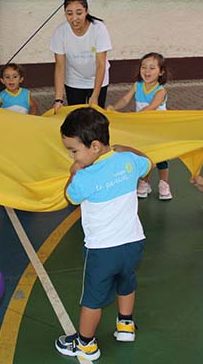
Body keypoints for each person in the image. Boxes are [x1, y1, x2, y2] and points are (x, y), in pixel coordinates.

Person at [55, 107, 153, 361]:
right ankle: (125, 325)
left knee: (93, 299)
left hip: (102, 249)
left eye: (74, 151)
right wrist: (127, 149)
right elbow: (148, 163)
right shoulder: (128, 161)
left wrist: (72, 174)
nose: (73, 156)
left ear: (95, 146)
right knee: (126, 281)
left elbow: (70, 197)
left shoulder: (84, 176)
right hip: (133, 243)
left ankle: (86, 343)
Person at [107, 52, 172, 200]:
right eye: (144, 67)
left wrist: (132, 118)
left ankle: (164, 183)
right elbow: (125, 99)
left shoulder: (160, 91)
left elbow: (151, 107)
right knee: (144, 155)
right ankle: (144, 181)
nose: (147, 71)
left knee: (161, 158)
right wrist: (115, 108)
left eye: (152, 68)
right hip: (142, 130)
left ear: (161, 72)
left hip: (158, 131)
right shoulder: (137, 86)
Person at [51, 0, 112, 113]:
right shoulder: (60, 32)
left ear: (86, 11)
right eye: (69, 13)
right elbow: (60, 66)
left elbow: (101, 64)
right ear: (65, 14)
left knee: (95, 116)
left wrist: (95, 96)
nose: (74, 18)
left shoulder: (99, 29)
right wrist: (58, 100)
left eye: (79, 13)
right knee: (76, 116)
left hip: (98, 79)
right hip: (74, 80)